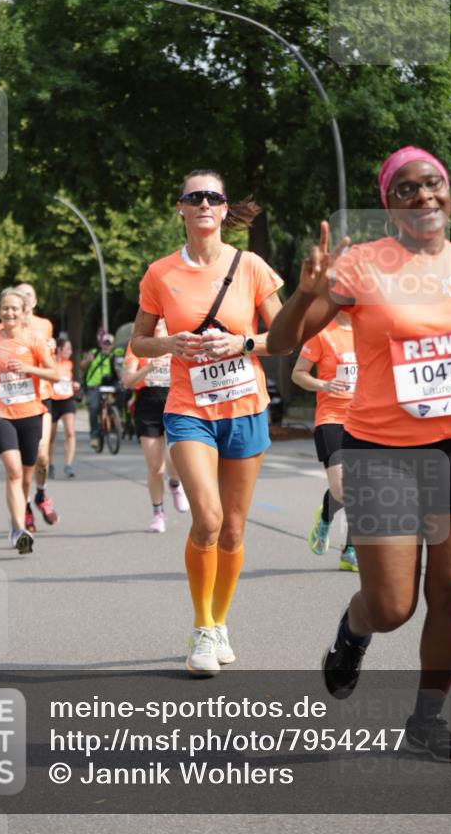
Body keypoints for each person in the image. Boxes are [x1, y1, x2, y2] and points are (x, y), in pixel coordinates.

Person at [267, 145, 451, 762]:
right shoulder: (361, 265)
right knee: (392, 606)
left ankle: (427, 720)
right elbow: (280, 341)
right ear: (390, 205)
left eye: (432, 183)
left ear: (450, 196)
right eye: (406, 188)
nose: (422, 195)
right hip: (381, 448)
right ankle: (353, 633)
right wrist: (304, 295)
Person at [133, 170, 284, 676]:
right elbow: (138, 343)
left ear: (224, 210)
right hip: (188, 407)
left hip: (245, 405)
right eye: (193, 196)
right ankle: (200, 628)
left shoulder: (252, 267)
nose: (203, 203)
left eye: (212, 197)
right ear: (180, 208)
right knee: (210, 519)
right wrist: (168, 344)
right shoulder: (160, 274)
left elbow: (283, 337)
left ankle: (220, 622)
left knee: (235, 530)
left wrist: (241, 343)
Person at [0, 287, 60, 554]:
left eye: (14, 308)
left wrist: (28, 368)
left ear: (24, 312)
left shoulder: (34, 339)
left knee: (25, 476)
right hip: (0, 413)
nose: (9, 312)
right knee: (12, 471)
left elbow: (55, 374)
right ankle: (18, 529)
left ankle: (28, 504)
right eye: (5, 308)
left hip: (31, 413)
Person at [292, 311, 359, 571]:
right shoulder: (323, 333)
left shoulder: (372, 331)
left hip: (365, 420)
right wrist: (323, 385)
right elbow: (298, 374)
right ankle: (325, 516)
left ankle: (350, 549)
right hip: (332, 419)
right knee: (343, 489)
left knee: (362, 487)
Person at [123, 319, 190, 533]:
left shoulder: (179, 340)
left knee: (175, 457)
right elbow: (128, 381)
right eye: (156, 320)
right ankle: (158, 513)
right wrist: (150, 366)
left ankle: (176, 483)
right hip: (148, 404)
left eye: (164, 320)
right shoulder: (139, 345)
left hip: (175, 401)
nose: (160, 324)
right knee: (154, 466)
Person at [14, 283, 60, 530]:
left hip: (42, 395)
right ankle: (26, 507)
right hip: (18, 401)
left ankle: (41, 494)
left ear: (35, 300)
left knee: (42, 456)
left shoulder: (45, 325)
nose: (25, 298)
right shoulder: (6, 328)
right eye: (20, 294)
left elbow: (51, 360)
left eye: (29, 294)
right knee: (23, 462)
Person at [81, 331, 121, 450]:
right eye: (105, 342)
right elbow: (82, 366)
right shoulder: (94, 353)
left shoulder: (114, 356)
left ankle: (115, 420)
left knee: (118, 399)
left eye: (109, 343)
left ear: (112, 345)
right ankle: (94, 436)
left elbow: (119, 372)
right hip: (93, 386)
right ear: (101, 343)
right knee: (93, 408)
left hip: (109, 387)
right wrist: (88, 360)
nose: (106, 345)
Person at [48, 337, 80, 478]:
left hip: (67, 400)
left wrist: (74, 385)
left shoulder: (69, 364)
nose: (70, 352)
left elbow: (70, 380)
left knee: (70, 432)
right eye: (68, 348)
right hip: (52, 401)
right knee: (51, 436)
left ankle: (68, 465)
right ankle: (50, 464)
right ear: (59, 349)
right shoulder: (50, 362)